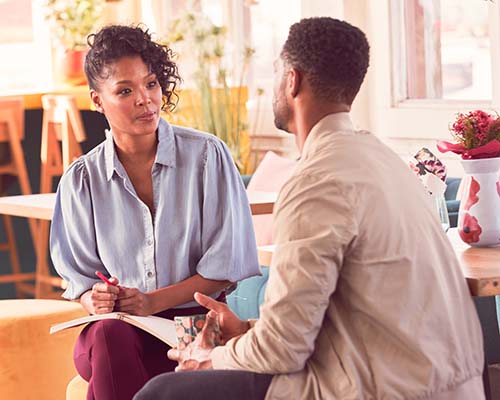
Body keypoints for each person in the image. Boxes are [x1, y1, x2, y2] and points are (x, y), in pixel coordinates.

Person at [134, 17, 485, 400]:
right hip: (447, 385)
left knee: (162, 393)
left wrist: (211, 357)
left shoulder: (316, 181)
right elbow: (324, 321)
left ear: (292, 80)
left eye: (275, 73)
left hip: (385, 390)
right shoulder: (383, 160)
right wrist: (250, 331)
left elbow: (283, 349)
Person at [49, 24, 260, 400]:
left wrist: (152, 301)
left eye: (150, 84)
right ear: (98, 100)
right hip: (113, 334)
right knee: (109, 336)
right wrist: (94, 298)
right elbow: (80, 281)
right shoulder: (81, 179)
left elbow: (226, 265)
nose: (145, 100)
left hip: (192, 328)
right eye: (125, 91)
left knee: (112, 374)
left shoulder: (207, 158)